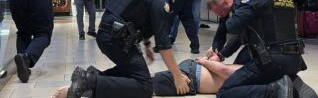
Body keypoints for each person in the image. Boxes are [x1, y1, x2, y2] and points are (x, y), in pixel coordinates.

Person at [66, 0, 193, 98]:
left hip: (109, 34)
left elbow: (136, 13)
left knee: (134, 73)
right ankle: (88, 80)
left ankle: (95, 77)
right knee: (145, 86)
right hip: (116, 40)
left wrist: (147, 44)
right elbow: (164, 44)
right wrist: (177, 77)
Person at [216, 0, 306, 98]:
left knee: (224, 92)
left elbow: (232, 27)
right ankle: (293, 85)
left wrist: (228, 12)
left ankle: (274, 90)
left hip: (273, 61)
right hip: (295, 60)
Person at [52, 58, 294, 98]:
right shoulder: (254, 69)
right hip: (191, 76)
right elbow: (227, 71)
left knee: (145, 83)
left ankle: (94, 79)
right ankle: (90, 84)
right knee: (143, 89)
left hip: (192, 77)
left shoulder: (259, 77)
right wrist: (205, 61)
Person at [206, 0, 252, 65]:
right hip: (252, 41)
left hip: (266, 42)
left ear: (225, 3)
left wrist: (221, 55)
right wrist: (215, 49)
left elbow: (240, 36)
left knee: (240, 67)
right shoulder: (225, 8)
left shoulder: (244, 4)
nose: (221, 16)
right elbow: (221, 32)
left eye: (221, 13)